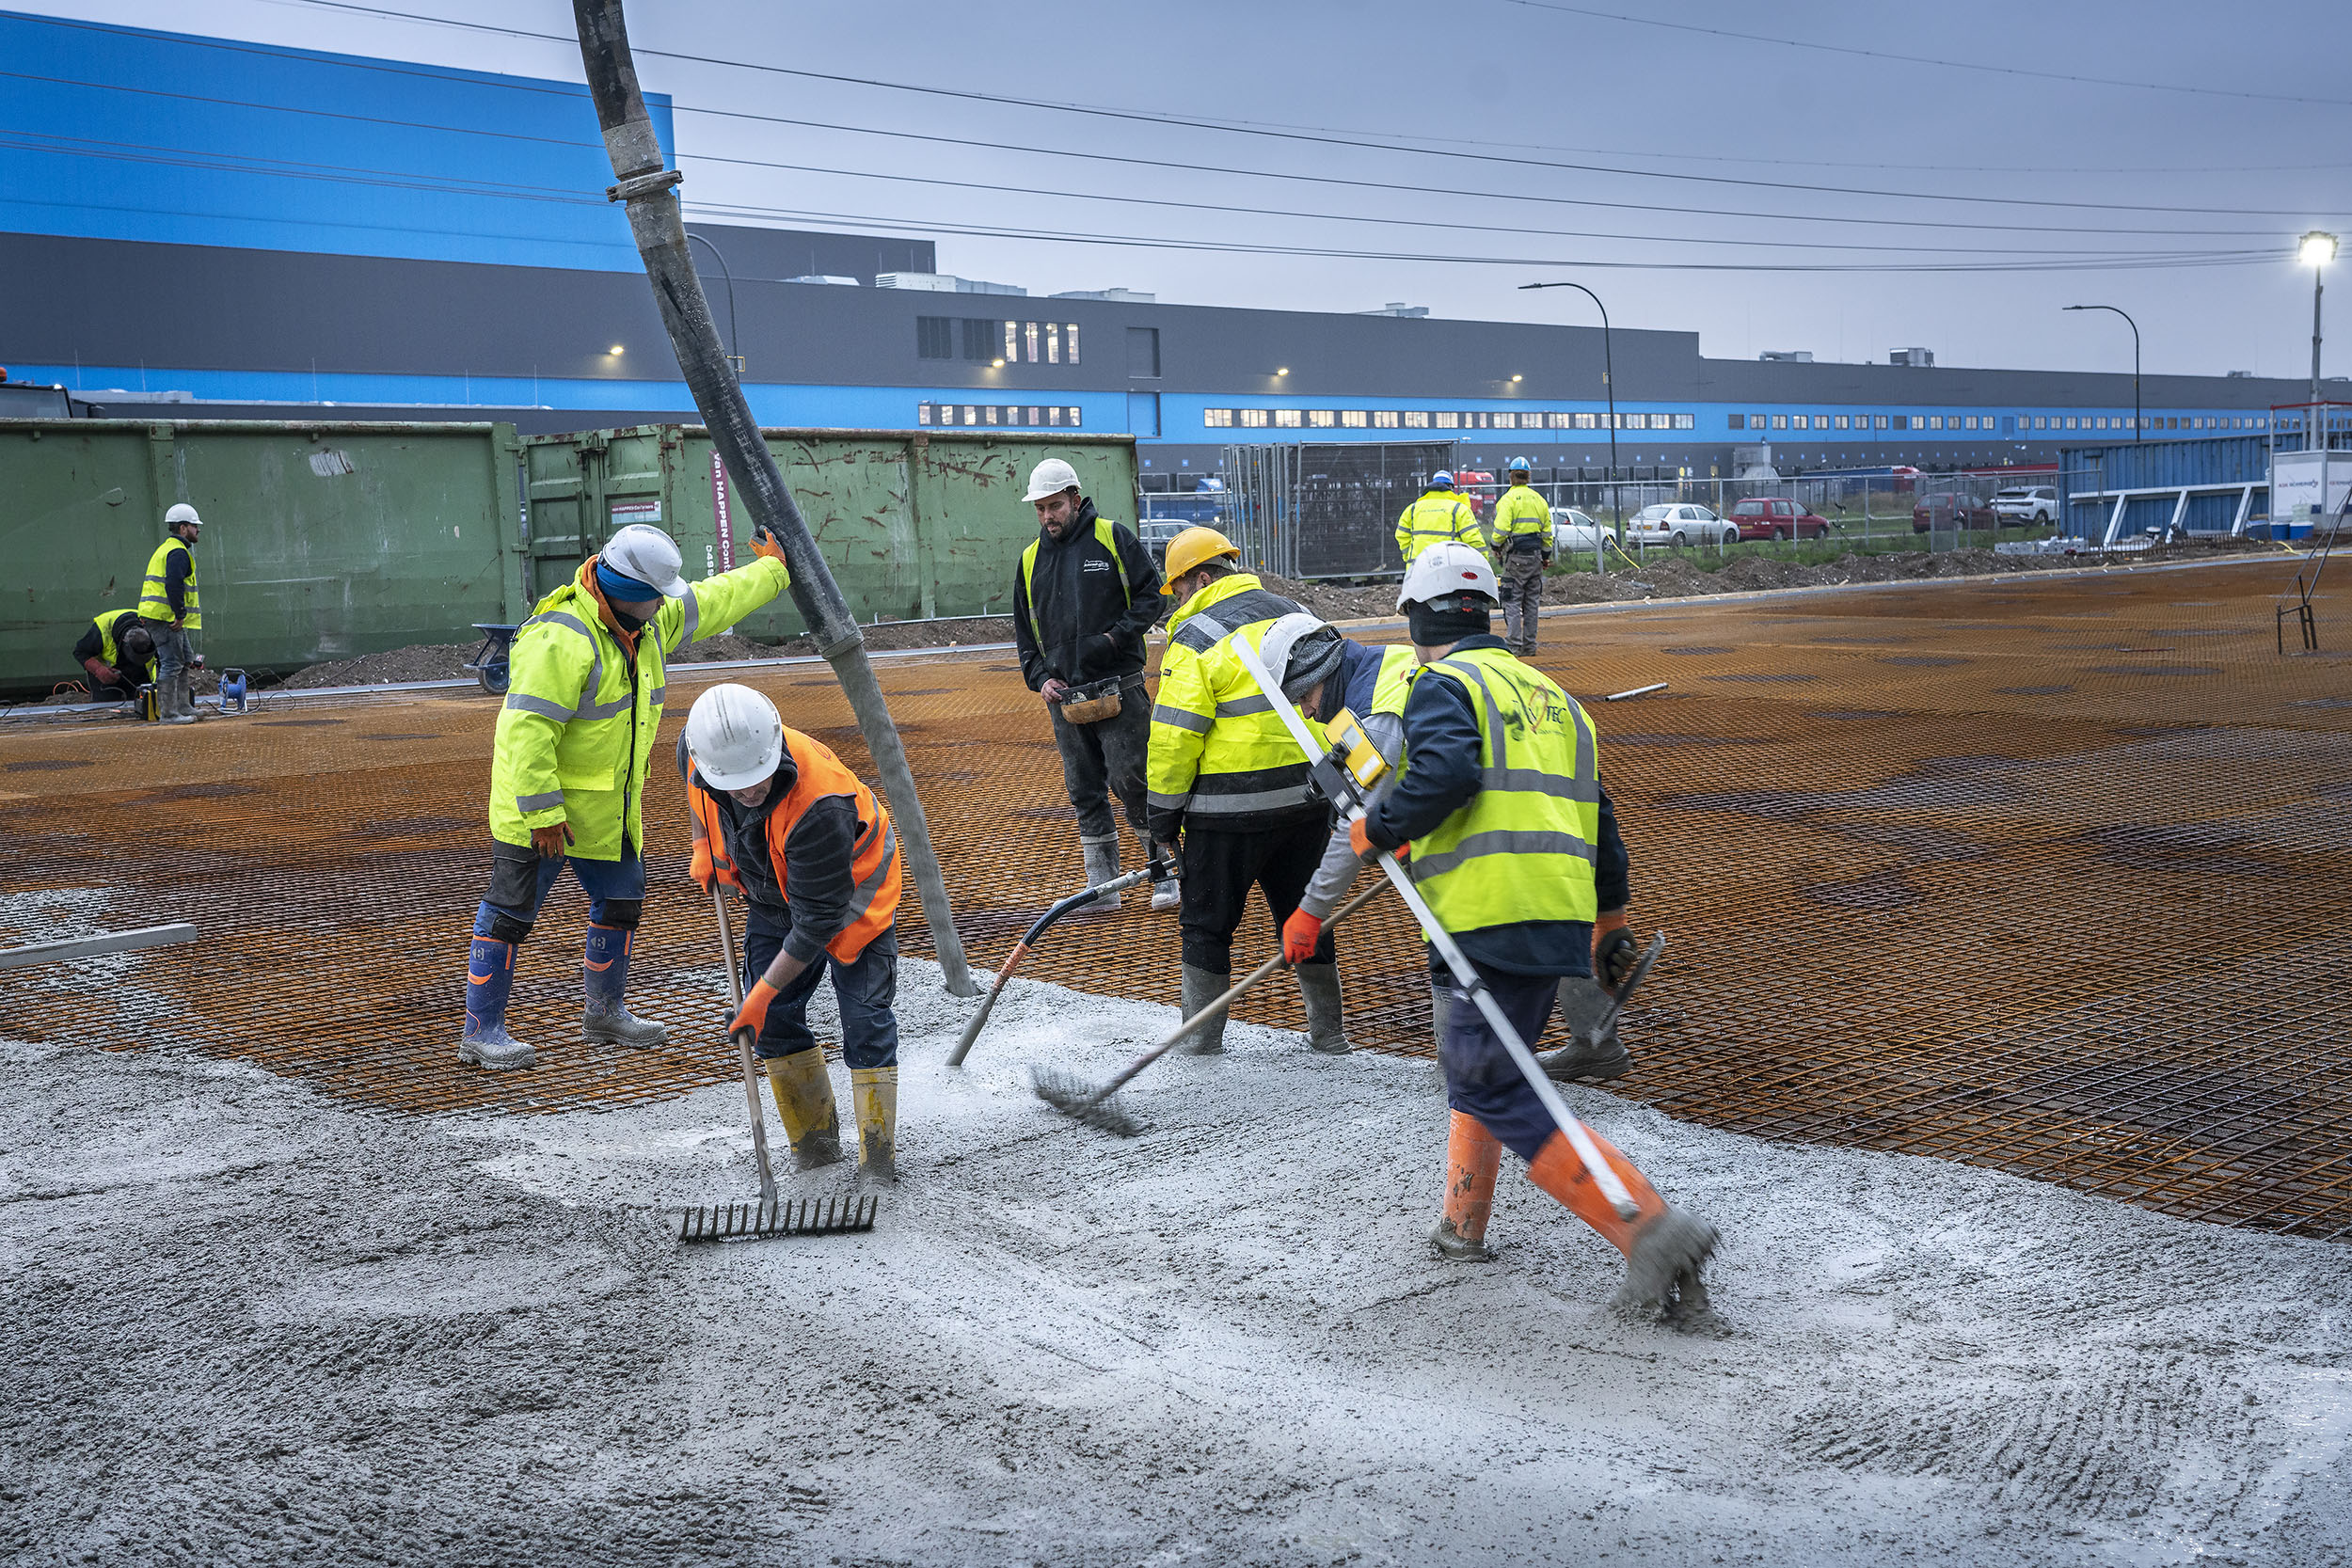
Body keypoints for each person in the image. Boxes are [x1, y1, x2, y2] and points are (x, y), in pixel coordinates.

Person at [1349, 542, 1713, 1315]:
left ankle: (1648, 1226)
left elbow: (1443, 773)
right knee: (1484, 1069)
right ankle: (1475, 1222)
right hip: (1551, 913)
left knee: (1487, 1077)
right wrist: (1608, 922)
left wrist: (1377, 826)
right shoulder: (1557, 700)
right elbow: (1603, 823)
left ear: (1421, 617)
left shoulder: (1445, 682)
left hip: (1488, 911)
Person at [457, 521, 791, 1071]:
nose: (666, 606)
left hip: (606, 814)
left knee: (620, 904)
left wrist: (774, 570)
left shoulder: (648, 623)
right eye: (657, 597)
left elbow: (716, 599)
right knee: (509, 916)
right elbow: (525, 732)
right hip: (537, 814)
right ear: (633, 594)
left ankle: (603, 1014)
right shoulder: (561, 639)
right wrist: (542, 814)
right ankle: (481, 1032)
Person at [681, 684, 903, 1182]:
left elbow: (817, 923)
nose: (747, 793)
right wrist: (703, 845)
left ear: (774, 746)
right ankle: (816, 1148)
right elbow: (695, 787)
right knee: (774, 1026)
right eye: (733, 785)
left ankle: (878, 1162)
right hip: (770, 895)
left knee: (865, 1022)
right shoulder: (701, 749)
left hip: (849, 903)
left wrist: (759, 993)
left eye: (756, 782)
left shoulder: (819, 804)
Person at [1145, 527, 1345, 1054]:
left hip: (1224, 816)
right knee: (1306, 917)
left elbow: (1173, 738)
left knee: (1206, 927)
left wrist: (1162, 819)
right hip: (1307, 803)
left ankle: (1200, 1044)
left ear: (1201, 578)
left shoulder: (1194, 638)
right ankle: (1329, 1036)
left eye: (1179, 589)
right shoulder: (1296, 613)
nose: (1177, 601)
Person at [1009, 456, 1170, 911]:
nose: (1047, 517)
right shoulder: (1028, 561)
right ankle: (1103, 887)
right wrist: (1039, 679)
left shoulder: (1112, 538)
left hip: (1119, 685)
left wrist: (1114, 638)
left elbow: (1150, 597)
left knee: (1132, 779)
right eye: (1040, 509)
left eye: (1055, 506)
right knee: (1084, 788)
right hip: (1064, 696)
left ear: (1075, 499)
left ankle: (1164, 872)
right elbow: (1025, 634)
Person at [135, 502, 206, 725]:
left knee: (185, 659)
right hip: (165, 617)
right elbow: (173, 584)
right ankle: (169, 714)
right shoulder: (177, 552)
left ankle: (183, 706)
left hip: (162, 615)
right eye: (194, 526)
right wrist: (180, 614)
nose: (198, 530)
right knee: (172, 663)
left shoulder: (168, 549)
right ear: (183, 528)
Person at [1485, 457, 1554, 655]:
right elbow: (1548, 533)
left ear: (1511, 476)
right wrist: (1545, 555)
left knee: (1512, 600)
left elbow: (1501, 530)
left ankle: (1514, 645)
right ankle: (1530, 646)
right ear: (1528, 476)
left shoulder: (1508, 500)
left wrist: (1495, 546)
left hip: (1516, 558)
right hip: (1535, 557)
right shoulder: (1539, 500)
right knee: (1531, 602)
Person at [73, 609, 158, 706]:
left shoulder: (152, 627)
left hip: (140, 678)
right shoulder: (102, 629)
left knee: (143, 708)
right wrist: (98, 669)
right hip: (108, 679)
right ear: (123, 641)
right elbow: (80, 652)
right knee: (106, 709)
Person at [1393, 469, 1478, 566]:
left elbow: (1401, 535)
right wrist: (1482, 563)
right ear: (1450, 487)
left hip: (1418, 567)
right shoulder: (1459, 509)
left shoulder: (1412, 509)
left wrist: (1409, 557)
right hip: (1451, 567)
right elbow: (1473, 540)